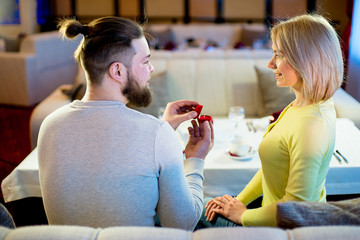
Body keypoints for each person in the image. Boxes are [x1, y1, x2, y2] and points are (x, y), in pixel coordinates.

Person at [37, 16, 214, 230]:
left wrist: (162, 131)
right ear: (118, 71)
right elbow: (182, 224)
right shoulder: (156, 134)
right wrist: (195, 159)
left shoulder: (50, 126)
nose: (151, 69)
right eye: (145, 61)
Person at [198, 14, 344, 227]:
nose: (270, 63)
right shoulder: (303, 105)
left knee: (184, 207)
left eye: (279, 55)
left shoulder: (311, 125)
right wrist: (238, 202)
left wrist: (242, 215)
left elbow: (296, 208)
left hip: (281, 230)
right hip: (271, 218)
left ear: (306, 60)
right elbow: (270, 171)